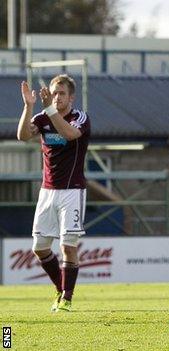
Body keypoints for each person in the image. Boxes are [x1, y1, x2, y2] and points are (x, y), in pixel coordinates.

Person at [16, 74, 90, 312]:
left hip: (72, 191)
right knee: (40, 247)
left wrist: (49, 108)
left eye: (61, 93)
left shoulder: (80, 118)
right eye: (54, 93)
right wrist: (29, 107)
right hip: (47, 192)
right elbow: (23, 135)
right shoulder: (42, 117)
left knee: (68, 246)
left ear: (71, 97)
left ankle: (67, 299)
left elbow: (69, 134)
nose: (57, 97)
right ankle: (61, 289)